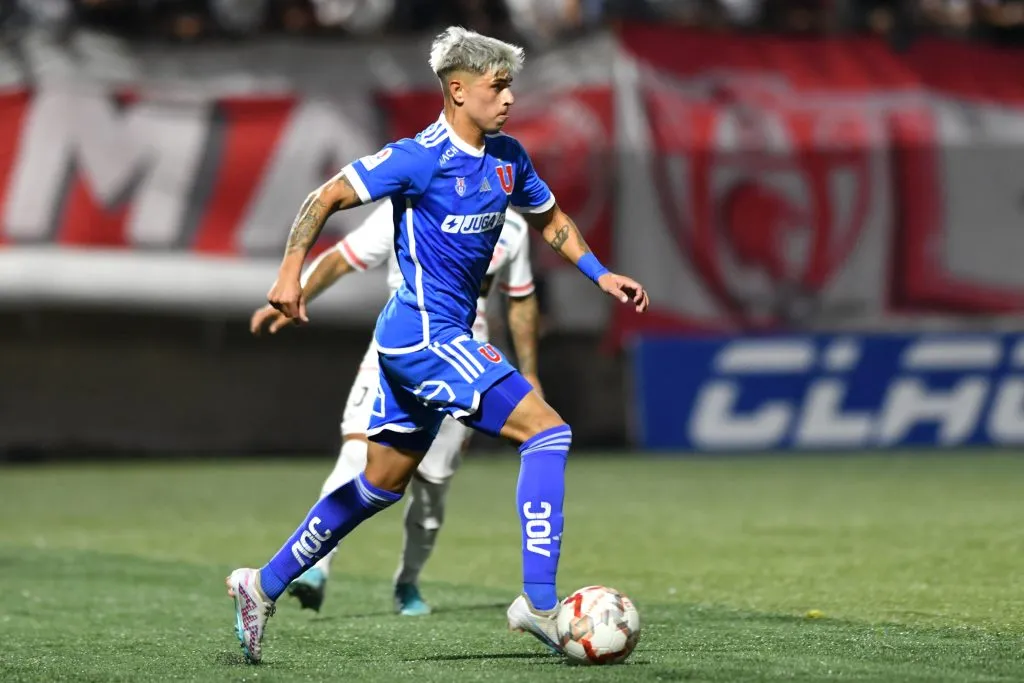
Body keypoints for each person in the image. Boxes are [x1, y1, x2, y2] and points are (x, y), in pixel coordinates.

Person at [226, 26, 649, 664]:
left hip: (425, 339)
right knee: (548, 433)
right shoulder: (417, 158)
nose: (508, 98)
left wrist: (602, 274)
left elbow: (552, 220)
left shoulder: (509, 158)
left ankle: (260, 584)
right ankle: (538, 604)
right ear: (457, 90)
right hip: (427, 336)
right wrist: (290, 273)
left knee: (378, 485)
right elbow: (326, 197)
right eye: (496, 86)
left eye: (510, 85)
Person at [249, 201, 542, 616]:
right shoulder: (409, 200)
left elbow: (520, 298)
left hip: (464, 361)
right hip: (397, 348)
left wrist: (529, 372)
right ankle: (315, 569)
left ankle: (408, 582)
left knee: (430, 490)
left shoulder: (510, 225)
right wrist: (297, 294)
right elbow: (344, 257)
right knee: (357, 453)